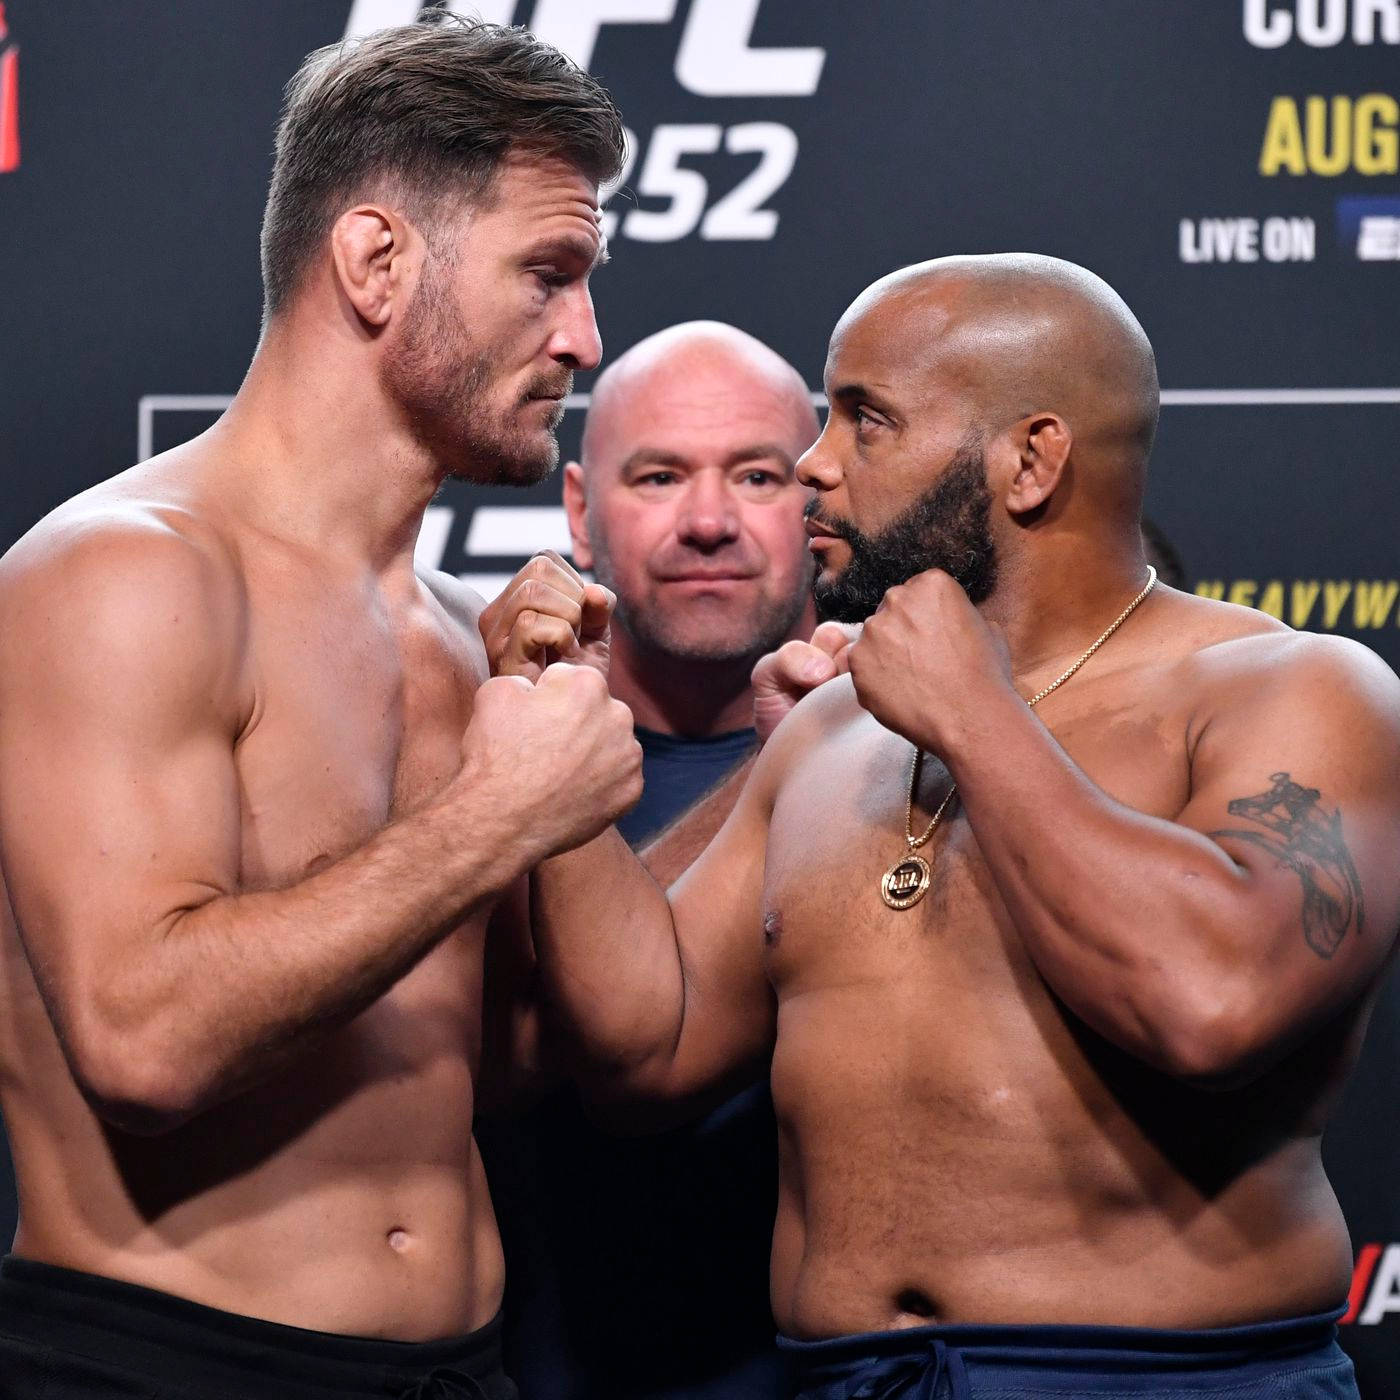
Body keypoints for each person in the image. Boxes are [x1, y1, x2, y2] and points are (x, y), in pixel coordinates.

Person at [525, 253, 1400, 1398]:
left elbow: (1211, 1003)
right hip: (845, 1374)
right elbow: (646, 1047)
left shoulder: (1294, 690)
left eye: (865, 419)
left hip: (1162, 1376)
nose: (812, 463)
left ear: (1029, 462)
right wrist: (555, 718)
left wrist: (976, 714)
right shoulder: (834, 727)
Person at [0, 19, 639, 1399]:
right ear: (374, 261)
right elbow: (142, 1039)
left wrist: (614, 772)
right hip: (168, 1367)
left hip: (462, 1365)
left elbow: (543, 1052)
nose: (584, 338)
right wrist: (499, 811)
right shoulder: (127, 576)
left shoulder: (467, 635)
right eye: (548, 274)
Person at [480, 322, 819, 1400]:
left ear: (819, 497)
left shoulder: (914, 741)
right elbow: (506, 1059)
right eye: (660, 476)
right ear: (580, 510)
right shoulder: (476, 734)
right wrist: (784, 773)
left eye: (757, 475)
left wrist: (833, 739)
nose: (708, 521)